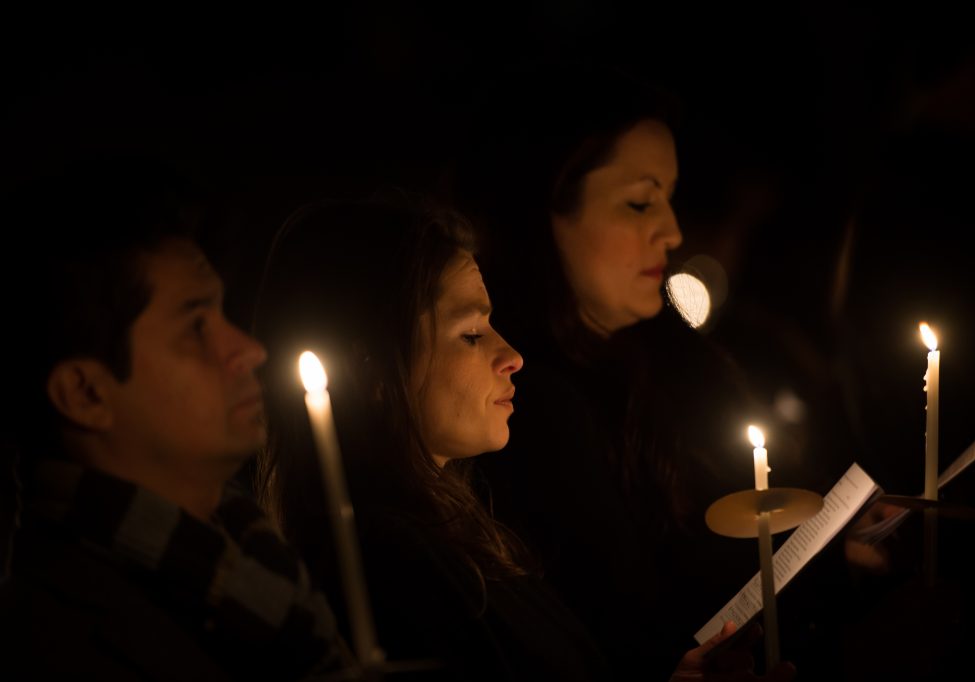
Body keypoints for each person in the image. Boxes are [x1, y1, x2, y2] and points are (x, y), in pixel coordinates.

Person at [252, 195, 783, 681]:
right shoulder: (388, 568)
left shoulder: (457, 532)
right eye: (472, 335)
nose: (512, 357)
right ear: (369, 372)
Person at [447, 63, 792, 680]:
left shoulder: (678, 361)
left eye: (669, 195)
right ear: (542, 210)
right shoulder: (512, 403)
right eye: (639, 202)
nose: (673, 230)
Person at [0, 158, 345, 680]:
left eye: (224, 316)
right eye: (195, 327)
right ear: (86, 393)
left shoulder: (257, 576)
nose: (249, 350)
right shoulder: (49, 640)